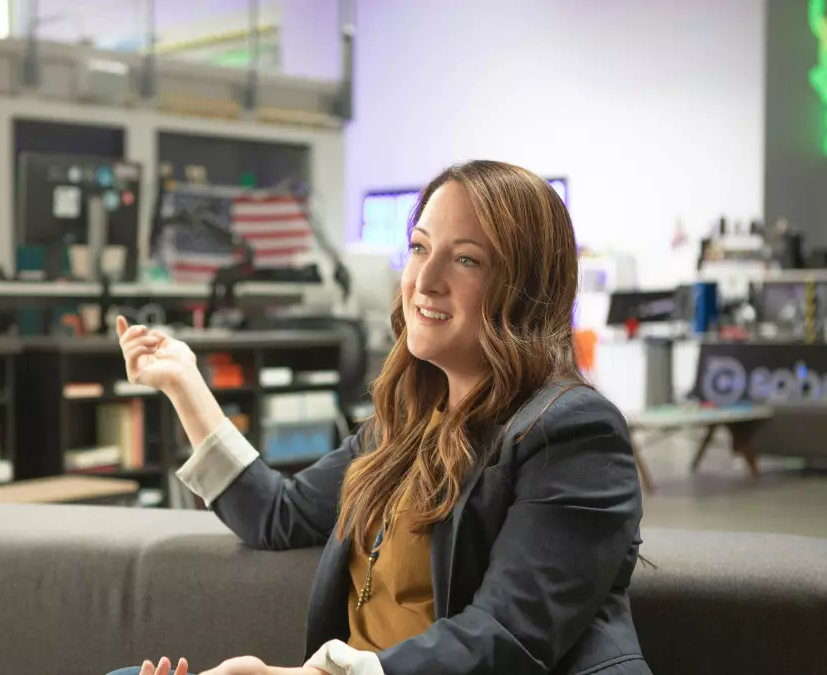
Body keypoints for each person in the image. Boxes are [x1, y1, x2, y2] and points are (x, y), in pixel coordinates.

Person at [108, 160, 650, 675]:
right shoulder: (405, 428)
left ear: (526, 287)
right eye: (419, 248)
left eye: (466, 259)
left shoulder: (576, 431)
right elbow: (277, 513)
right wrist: (184, 382)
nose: (425, 279)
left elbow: (507, 637)